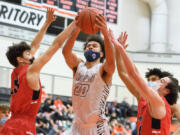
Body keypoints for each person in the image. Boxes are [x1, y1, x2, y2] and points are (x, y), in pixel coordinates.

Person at [0, 7, 77, 135]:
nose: (33, 55)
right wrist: (75, 23)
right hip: (23, 125)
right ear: (20, 59)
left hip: (11, 123)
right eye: (28, 54)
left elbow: (35, 46)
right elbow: (56, 44)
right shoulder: (31, 69)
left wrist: (47, 23)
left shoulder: (16, 72)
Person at [109, 30, 179, 135]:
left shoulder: (167, 103)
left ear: (166, 90)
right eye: (149, 80)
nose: (151, 82)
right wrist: (119, 52)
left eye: (156, 79)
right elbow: (125, 73)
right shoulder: (142, 97)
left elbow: (134, 75)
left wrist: (120, 49)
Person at [62, 14, 115, 134]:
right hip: (77, 126)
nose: (90, 47)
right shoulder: (78, 66)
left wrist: (106, 34)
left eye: (94, 46)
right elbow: (66, 52)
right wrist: (77, 27)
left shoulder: (103, 70)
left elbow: (111, 62)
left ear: (101, 54)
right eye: (87, 46)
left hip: (96, 128)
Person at [145, 68, 180, 135]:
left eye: (154, 79)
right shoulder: (146, 98)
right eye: (149, 80)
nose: (151, 82)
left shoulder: (173, 105)